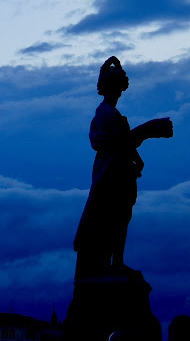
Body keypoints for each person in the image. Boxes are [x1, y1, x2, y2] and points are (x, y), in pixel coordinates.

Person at [73, 56, 173, 278]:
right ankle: (112, 263)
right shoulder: (106, 113)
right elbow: (122, 141)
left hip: (117, 170)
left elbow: (123, 142)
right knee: (113, 218)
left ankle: (115, 262)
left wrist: (138, 155)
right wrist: (149, 129)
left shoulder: (110, 112)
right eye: (119, 86)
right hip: (111, 173)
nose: (121, 91)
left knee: (119, 217)